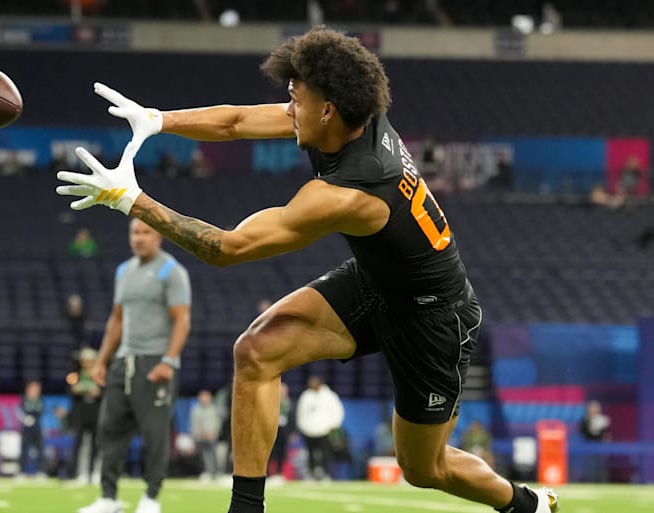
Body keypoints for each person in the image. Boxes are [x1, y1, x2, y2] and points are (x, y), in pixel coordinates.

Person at [56, 26, 558, 513]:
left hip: (431, 317)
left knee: (425, 468)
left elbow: (228, 248)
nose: (288, 109)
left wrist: (133, 201)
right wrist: (158, 119)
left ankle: (525, 503)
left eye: (295, 100)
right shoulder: (341, 119)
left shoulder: (351, 191)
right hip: (376, 280)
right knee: (256, 351)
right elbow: (235, 122)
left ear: (327, 109)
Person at [76, 218, 191, 513]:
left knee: (155, 435)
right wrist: (101, 360)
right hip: (122, 361)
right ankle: (108, 497)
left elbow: (182, 320)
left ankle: (151, 498)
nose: (139, 238)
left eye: (146, 232)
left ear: (159, 237)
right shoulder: (123, 271)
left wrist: (168, 361)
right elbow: (116, 319)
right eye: (135, 232)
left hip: (155, 362)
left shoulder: (171, 271)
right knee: (109, 430)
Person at [295, 375, 344, 480]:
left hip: (325, 431)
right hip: (309, 431)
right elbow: (300, 413)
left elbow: (337, 411)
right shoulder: (306, 396)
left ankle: (326, 474)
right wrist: (303, 427)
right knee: (310, 454)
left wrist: (334, 425)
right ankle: (311, 474)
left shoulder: (329, 396)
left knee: (326, 453)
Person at [69, 347, 102, 483]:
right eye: (84, 361)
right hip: (81, 412)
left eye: (90, 360)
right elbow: (71, 388)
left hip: (95, 411)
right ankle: (76, 473)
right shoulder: (75, 374)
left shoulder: (100, 374)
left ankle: (93, 472)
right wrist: (77, 389)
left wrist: (98, 392)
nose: (87, 363)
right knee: (78, 443)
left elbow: (104, 390)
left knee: (96, 443)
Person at [190, 389, 222, 481]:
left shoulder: (214, 409)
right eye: (202, 397)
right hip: (200, 437)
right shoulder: (195, 410)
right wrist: (200, 434)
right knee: (202, 455)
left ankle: (215, 472)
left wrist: (212, 433)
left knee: (213, 454)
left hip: (212, 436)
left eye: (206, 397)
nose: (204, 399)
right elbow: (194, 424)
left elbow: (218, 423)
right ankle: (205, 472)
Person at [18, 380, 47, 478]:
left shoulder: (40, 399)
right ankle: (22, 472)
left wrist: (33, 418)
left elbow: (41, 411)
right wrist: (24, 418)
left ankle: (41, 472)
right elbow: (20, 410)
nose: (35, 390)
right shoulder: (24, 399)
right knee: (24, 450)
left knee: (40, 450)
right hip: (26, 429)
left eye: (37, 388)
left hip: (37, 428)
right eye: (33, 388)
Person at [578, 400, 611, 483]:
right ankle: (589, 481)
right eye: (592, 407)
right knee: (589, 465)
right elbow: (583, 432)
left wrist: (605, 438)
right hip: (588, 446)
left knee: (601, 465)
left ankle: (602, 481)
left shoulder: (603, 420)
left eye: (595, 407)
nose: (594, 409)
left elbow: (606, 434)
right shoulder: (585, 420)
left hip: (600, 446)